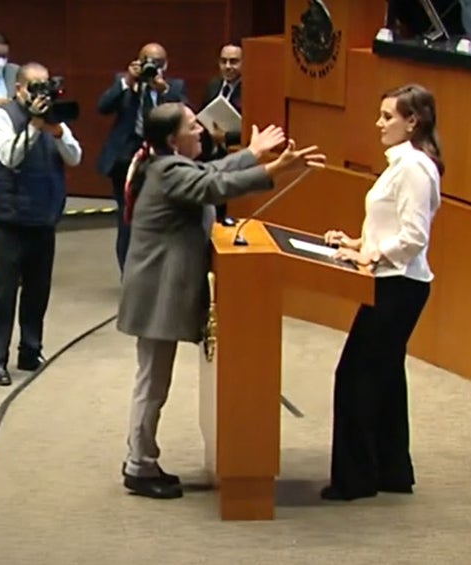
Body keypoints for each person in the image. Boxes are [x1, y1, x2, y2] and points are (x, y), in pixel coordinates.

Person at [116, 102, 325, 499]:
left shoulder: (166, 164)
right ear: (172, 139)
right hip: (156, 293)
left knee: (153, 380)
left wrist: (253, 154)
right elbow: (215, 187)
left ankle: (141, 460)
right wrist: (275, 168)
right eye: (192, 126)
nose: (201, 130)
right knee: (152, 382)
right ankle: (138, 466)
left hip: (159, 290)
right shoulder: (168, 172)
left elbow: (211, 173)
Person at [319, 83, 443, 501]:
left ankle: (355, 480)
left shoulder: (414, 168)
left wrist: (371, 255)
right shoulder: (401, 164)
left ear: (413, 121)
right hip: (391, 280)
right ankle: (391, 471)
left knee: (355, 376)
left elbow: (413, 237)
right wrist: (357, 243)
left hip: (399, 286)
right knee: (385, 376)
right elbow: (390, 227)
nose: (379, 124)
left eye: (388, 117)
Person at [0, 62, 82, 386]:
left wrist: (57, 132)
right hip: (10, 218)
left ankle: (30, 350)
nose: (41, 93)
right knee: (6, 292)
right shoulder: (2, 116)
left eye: (45, 86)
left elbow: (75, 157)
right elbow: (9, 157)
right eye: (34, 87)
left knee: (38, 290)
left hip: (44, 214)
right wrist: (34, 126)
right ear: (18, 89)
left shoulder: (54, 117)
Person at [96, 42, 186, 274]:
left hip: (158, 160)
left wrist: (163, 91)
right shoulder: (125, 81)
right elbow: (103, 107)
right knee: (126, 219)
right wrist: (128, 81)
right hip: (125, 160)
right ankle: (128, 276)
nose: (151, 67)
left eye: (157, 63)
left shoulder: (174, 86)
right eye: (147, 61)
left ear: (166, 65)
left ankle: (153, 272)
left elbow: (185, 116)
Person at [198, 42, 244, 223]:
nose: (228, 66)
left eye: (234, 61)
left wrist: (225, 137)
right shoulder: (213, 85)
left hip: (234, 158)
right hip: (210, 156)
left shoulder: (251, 89)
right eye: (223, 61)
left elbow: (253, 126)